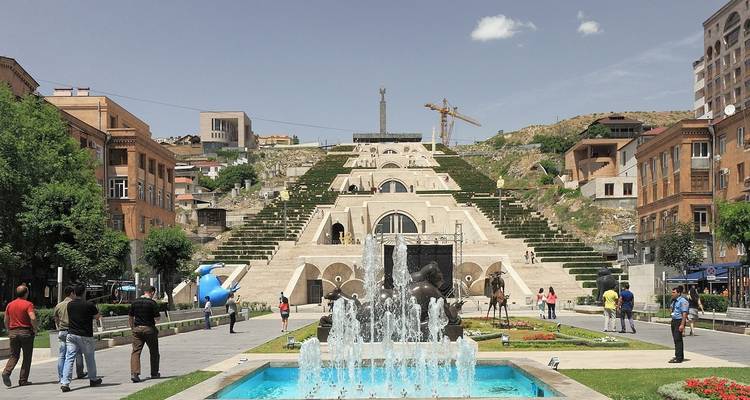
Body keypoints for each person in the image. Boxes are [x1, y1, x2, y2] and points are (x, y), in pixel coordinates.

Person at [61, 284, 102, 392]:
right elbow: (97, 316)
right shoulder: (89, 305)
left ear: (74, 292)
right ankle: (93, 379)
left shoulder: (70, 305)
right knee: (89, 358)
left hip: (71, 334)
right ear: (84, 292)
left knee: (69, 358)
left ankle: (65, 383)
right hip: (85, 335)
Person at [2, 285, 37, 387]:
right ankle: (23, 380)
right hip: (26, 333)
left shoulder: (10, 304)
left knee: (14, 355)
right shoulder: (28, 304)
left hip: (13, 333)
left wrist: (9, 330)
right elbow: (33, 318)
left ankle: (6, 372)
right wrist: (35, 328)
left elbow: (6, 320)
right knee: (27, 357)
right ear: (26, 293)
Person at [129, 286, 161, 383]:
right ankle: (154, 373)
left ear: (144, 292)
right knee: (154, 351)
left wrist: (132, 328)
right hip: (149, 329)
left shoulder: (135, 302)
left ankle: (134, 373)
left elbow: (130, 317)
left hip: (137, 329)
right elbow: (157, 318)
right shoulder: (152, 303)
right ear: (152, 292)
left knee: (136, 351)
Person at [53, 286, 86, 381]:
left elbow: (56, 319)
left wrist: (59, 327)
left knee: (62, 355)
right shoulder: (74, 304)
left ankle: (61, 376)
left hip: (62, 331)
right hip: (73, 331)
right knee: (78, 353)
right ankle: (80, 372)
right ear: (72, 293)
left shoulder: (59, 305)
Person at [669, 286, 689, 363]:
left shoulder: (683, 301)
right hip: (674, 320)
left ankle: (679, 358)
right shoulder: (674, 301)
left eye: (674, 292)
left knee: (678, 339)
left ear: (679, 293)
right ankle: (678, 355)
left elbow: (684, 313)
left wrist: (682, 324)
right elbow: (671, 309)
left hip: (679, 321)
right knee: (675, 339)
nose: (672, 294)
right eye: (672, 292)